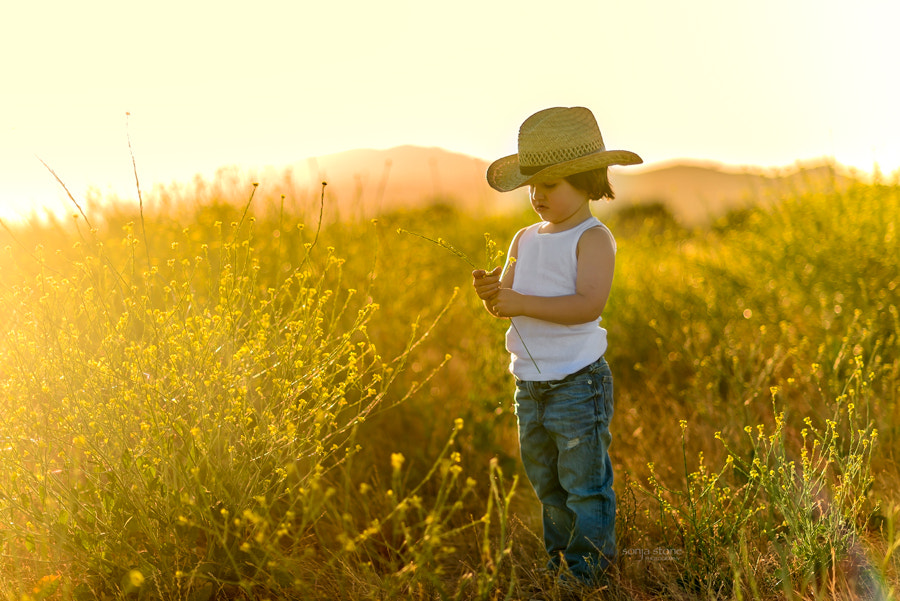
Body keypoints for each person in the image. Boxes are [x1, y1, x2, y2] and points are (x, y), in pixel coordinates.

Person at [472, 106, 641, 586]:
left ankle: (589, 574)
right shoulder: (523, 238)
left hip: (576, 381)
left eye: (551, 183)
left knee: (584, 485)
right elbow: (506, 304)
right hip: (529, 382)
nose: (537, 194)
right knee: (547, 482)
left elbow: (587, 305)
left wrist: (518, 299)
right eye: (532, 184)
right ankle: (561, 565)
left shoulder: (593, 238)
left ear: (587, 181)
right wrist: (493, 296)